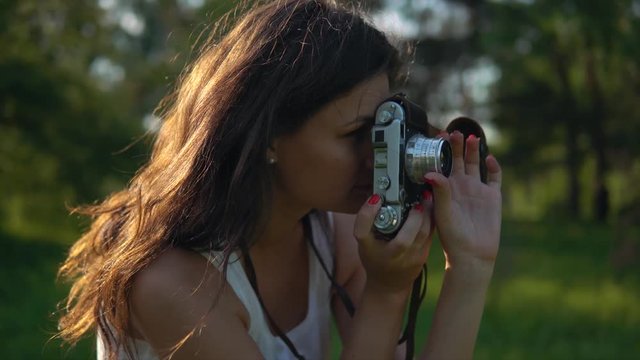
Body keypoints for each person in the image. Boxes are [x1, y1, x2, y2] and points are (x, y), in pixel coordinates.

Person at [57, 0, 502, 359]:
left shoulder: (337, 231)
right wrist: (386, 293)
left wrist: (470, 265)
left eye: (385, 128)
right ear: (266, 136)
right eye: (355, 135)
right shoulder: (170, 282)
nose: (378, 158)